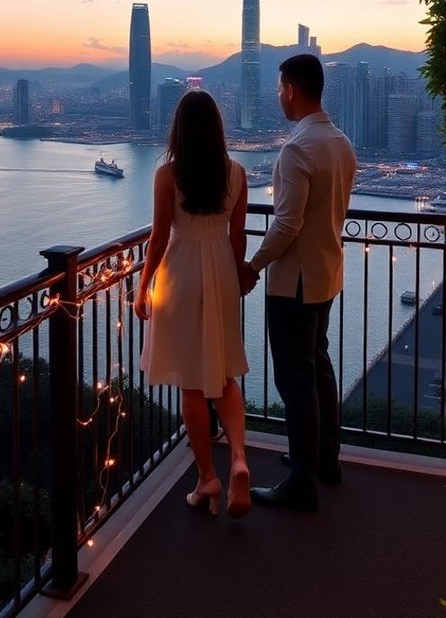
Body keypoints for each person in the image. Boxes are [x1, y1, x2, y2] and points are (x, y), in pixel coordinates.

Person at [240, 54, 356, 512]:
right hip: (327, 274)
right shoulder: (341, 143)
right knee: (318, 367)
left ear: (291, 88)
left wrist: (253, 266)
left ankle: (302, 479)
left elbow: (286, 224)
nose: (278, 95)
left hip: (294, 283)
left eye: (279, 87)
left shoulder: (297, 149)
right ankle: (326, 458)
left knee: (295, 380)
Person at [134, 90, 251, 519]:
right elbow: (237, 237)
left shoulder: (168, 174)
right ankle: (238, 457)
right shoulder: (237, 173)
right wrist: (238, 273)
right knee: (223, 372)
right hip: (220, 270)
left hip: (181, 273)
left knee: (190, 381)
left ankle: (207, 477)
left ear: (178, 130)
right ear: (218, 129)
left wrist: (143, 286)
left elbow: (159, 237)